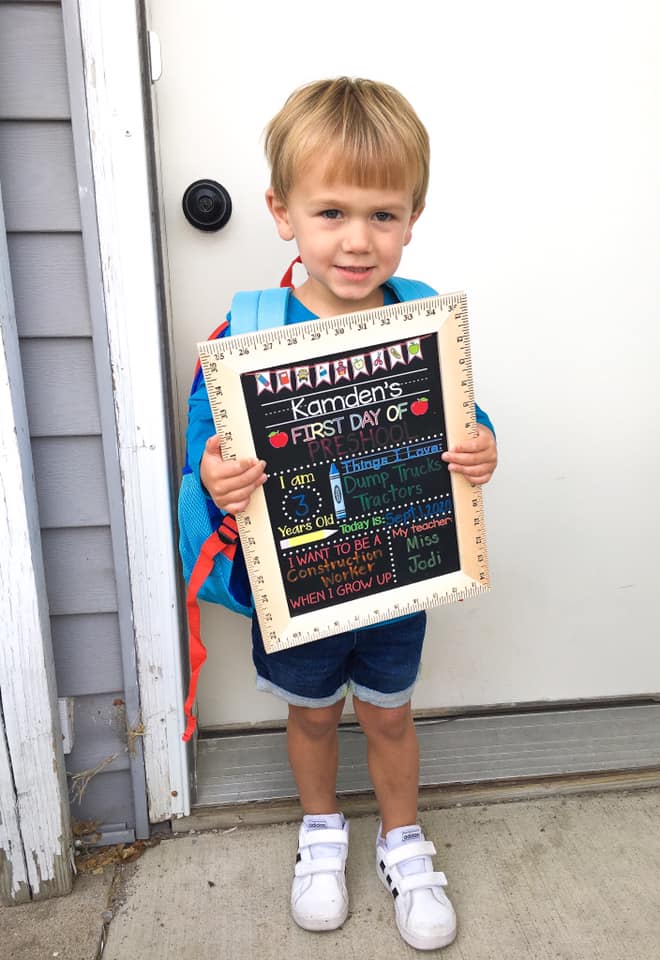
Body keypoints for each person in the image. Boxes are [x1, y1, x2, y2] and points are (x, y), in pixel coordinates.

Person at [187, 77, 497, 951]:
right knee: (314, 714)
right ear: (281, 213)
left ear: (413, 215)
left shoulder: (423, 323)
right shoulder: (245, 332)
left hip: (394, 580)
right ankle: (322, 836)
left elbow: (462, 418)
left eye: (382, 215)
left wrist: (482, 447)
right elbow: (207, 449)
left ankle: (403, 842)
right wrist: (218, 477)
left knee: (391, 715)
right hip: (301, 584)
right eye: (331, 213)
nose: (358, 241)